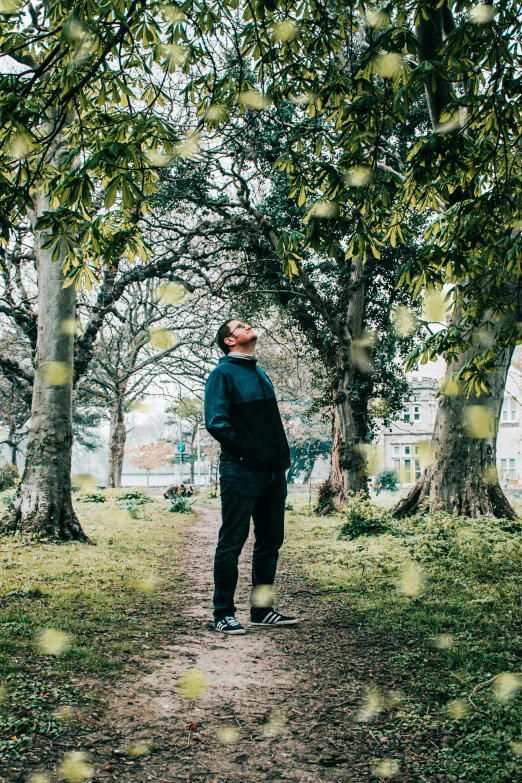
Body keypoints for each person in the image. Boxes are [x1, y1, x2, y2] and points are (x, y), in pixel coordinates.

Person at [204, 319, 300, 635]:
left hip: (273, 473)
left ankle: (262, 611)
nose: (248, 327)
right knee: (232, 541)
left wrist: (278, 459)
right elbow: (217, 423)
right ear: (229, 341)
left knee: (270, 541)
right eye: (241, 326)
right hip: (241, 470)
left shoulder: (259, 373)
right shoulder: (222, 374)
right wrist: (251, 452)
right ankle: (223, 614)